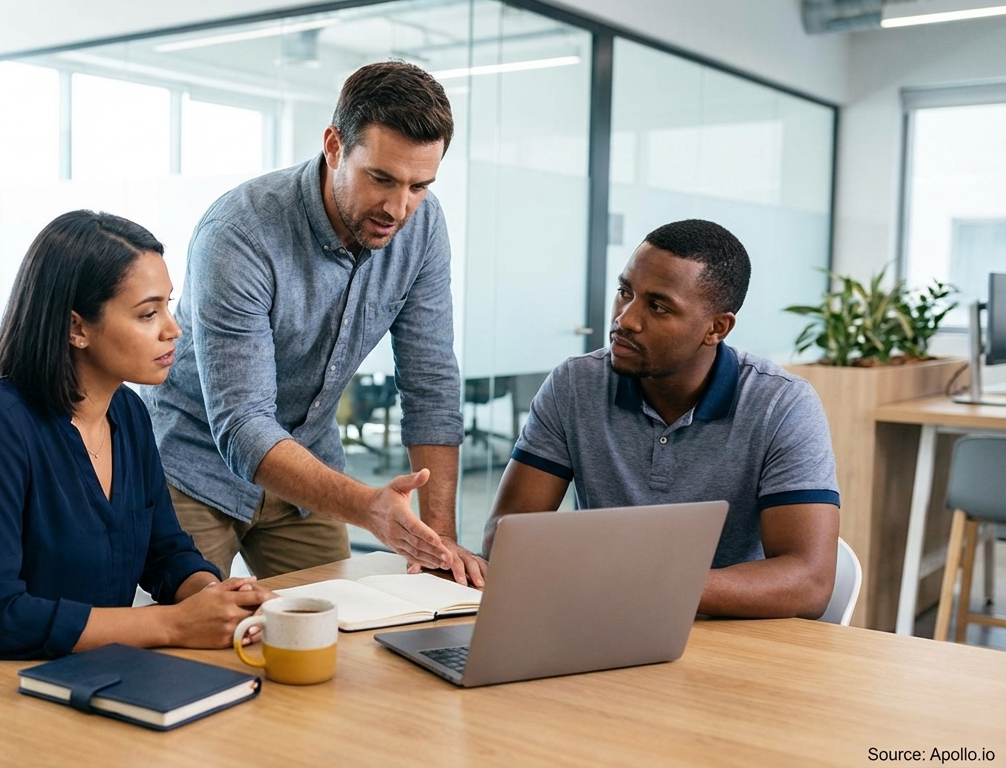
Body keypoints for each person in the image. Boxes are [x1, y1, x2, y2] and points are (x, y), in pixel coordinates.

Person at [143, 61, 486, 586]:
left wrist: (437, 544)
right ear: (333, 147)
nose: (398, 208)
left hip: (310, 467)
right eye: (381, 178)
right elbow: (242, 425)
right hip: (195, 470)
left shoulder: (423, 225)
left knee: (344, 637)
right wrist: (368, 507)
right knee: (199, 644)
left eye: (419, 185)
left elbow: (431, 381)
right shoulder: (240, 232)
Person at [0, 211, 273, 662]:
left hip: (81, 670)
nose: (173, 329)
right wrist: (172, 624)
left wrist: (218, 599)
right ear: (76, 328)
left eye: (169, 305)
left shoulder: (128, 413)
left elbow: (165, 552)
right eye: (149, 313)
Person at [483, 219, 839, 619]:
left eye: (658, 306)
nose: (625, 319)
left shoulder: (782, 405)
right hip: (600, 624)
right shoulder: (576, 383)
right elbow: (506, 534)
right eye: (625, 292)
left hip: (728, 635)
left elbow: (809, 582)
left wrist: (639, 582)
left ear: (716, 328)